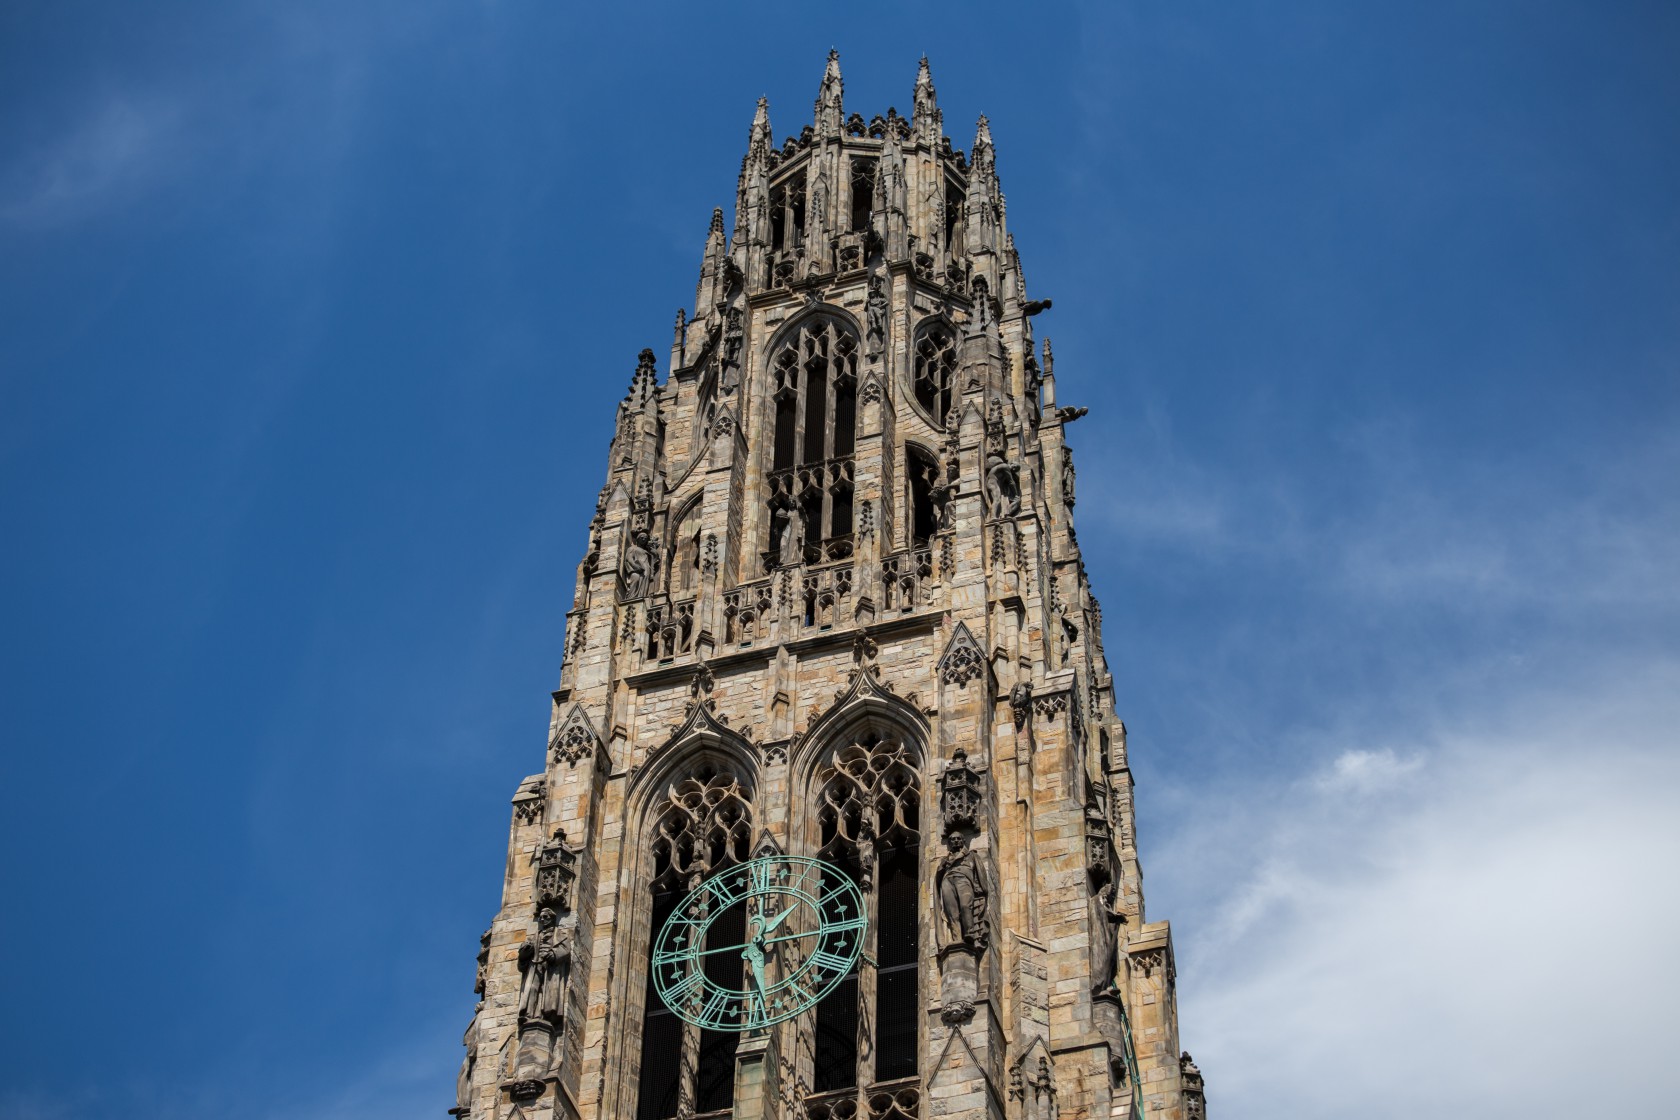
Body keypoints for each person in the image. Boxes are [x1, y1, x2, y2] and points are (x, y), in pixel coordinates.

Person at [935, 829, 990, 953]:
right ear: (949, 843)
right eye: (952, 839)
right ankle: (957, 938)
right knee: (951, 912)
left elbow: (980, 872)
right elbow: (938, 877)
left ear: (963, 841)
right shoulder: (945, 859)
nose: (955, 841)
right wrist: (941, 867)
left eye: (958, 838)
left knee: (966, 906)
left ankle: (970, 933)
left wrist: (981, 888)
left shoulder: (971, 855)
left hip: (964, 880)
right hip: (947, 881)